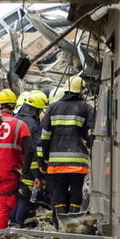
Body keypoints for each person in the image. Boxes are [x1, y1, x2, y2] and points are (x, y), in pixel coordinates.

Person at [40, 76, 95, 220]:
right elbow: (91, 134)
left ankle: (60, 220)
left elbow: (45, 136)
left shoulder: (52, 107)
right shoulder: (87, 108)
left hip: (56, 161)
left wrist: (45, 157)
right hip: (78, 161)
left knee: (59, 189)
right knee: (76, 188)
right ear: (81, 90)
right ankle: (73, 222)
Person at [0, 89, 33, 231]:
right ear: (14, 105)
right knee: (3, 206)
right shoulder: (20, 125)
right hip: (9, 171)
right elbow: (30, 150)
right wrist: (25, 171)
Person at [11, 89, 49, 226]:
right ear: (36, 109)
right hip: (28, 166)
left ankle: (13, 221)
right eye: (40, 110)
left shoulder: (16, 119)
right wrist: (38, 173)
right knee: (25, 195)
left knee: (15, 194)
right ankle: (18, 222)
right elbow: (35, 149)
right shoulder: (32, 124)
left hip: (13, 164)